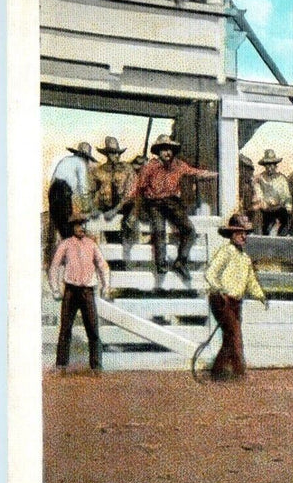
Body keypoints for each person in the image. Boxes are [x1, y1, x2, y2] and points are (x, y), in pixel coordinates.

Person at [122, 134, 217, 280]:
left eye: (170, 149)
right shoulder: (150, 167)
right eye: (164, 149)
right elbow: (139, 189)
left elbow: (195, 172)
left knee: (189, 230)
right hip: (154, 204)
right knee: (159, 231)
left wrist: (214, 174)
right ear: (158, 151)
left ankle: (180, 262)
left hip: (172, 203)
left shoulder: (178, 165)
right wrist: (134, 212)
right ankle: (161, 264)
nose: (167, 153)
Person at [204, 214, 267, 381]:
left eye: (245, 233)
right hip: (222, 300)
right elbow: (211, 273)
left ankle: (217, 373)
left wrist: (260, 295)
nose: (243, 236)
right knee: (235, 335)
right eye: (239, 233)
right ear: (231, 234)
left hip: (236, 302)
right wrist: (219, 290)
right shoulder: (226, 252)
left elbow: (251, 281)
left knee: (229, 336)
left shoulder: (245, 259)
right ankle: (240, 373)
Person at [48, 213, 110, 376]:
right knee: (65, 329)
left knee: (93, 328)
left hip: (87, 291)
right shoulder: (66, 244)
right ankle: (61, 366)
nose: (81, 227)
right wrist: (55, 288)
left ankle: (96, 366)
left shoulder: (92, 244)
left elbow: (103, 266)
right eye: (78, 224)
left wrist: (106, 286)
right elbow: (54, 267)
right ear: (72, 227)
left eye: (83, 224)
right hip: (71, 291)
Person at [48, 141, 97, 242]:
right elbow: (83, 189)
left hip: (53, 191)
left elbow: (54, 182)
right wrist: (87, 207)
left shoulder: (66, 160)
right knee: (67, 225)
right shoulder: (81, 163)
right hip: (63, 191)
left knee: (60, 223)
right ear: (86, 157)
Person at [253, 149, 292, 236]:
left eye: (271, 165)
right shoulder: (260, 178)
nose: (269, 168)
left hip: (279, 207)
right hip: (266, 209)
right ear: (264, 166)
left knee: (288, 219)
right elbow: (259, 195)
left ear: (275, 166)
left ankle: (281, 237)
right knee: (264, 227)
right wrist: (265, 205)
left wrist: (287, 207)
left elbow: (286, 196)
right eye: (267, 165)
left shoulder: (282, 179)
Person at [91, 137, 135, 214]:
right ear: (107, 154)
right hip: (104, 211)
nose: (117, 155)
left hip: (124, 211)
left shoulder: (127, 168)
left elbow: (131, 191)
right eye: (113, 153)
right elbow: (92, 191)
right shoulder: (99, 170)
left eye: (118, 153)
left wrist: (116, 210)